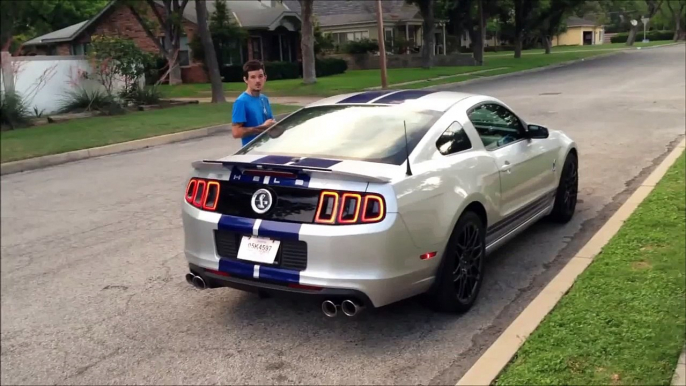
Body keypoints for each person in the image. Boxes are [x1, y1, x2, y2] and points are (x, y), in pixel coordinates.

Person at [231, 60, 276, 146]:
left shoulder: (264, 99)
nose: (258, 80)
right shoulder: (241, 102)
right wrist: (263, 127)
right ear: (246, 79)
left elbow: (270, 123)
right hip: (252, 153)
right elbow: (236, 132)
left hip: (268, 149)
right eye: (253, 77)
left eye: (260, 76)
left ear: (265, 78)